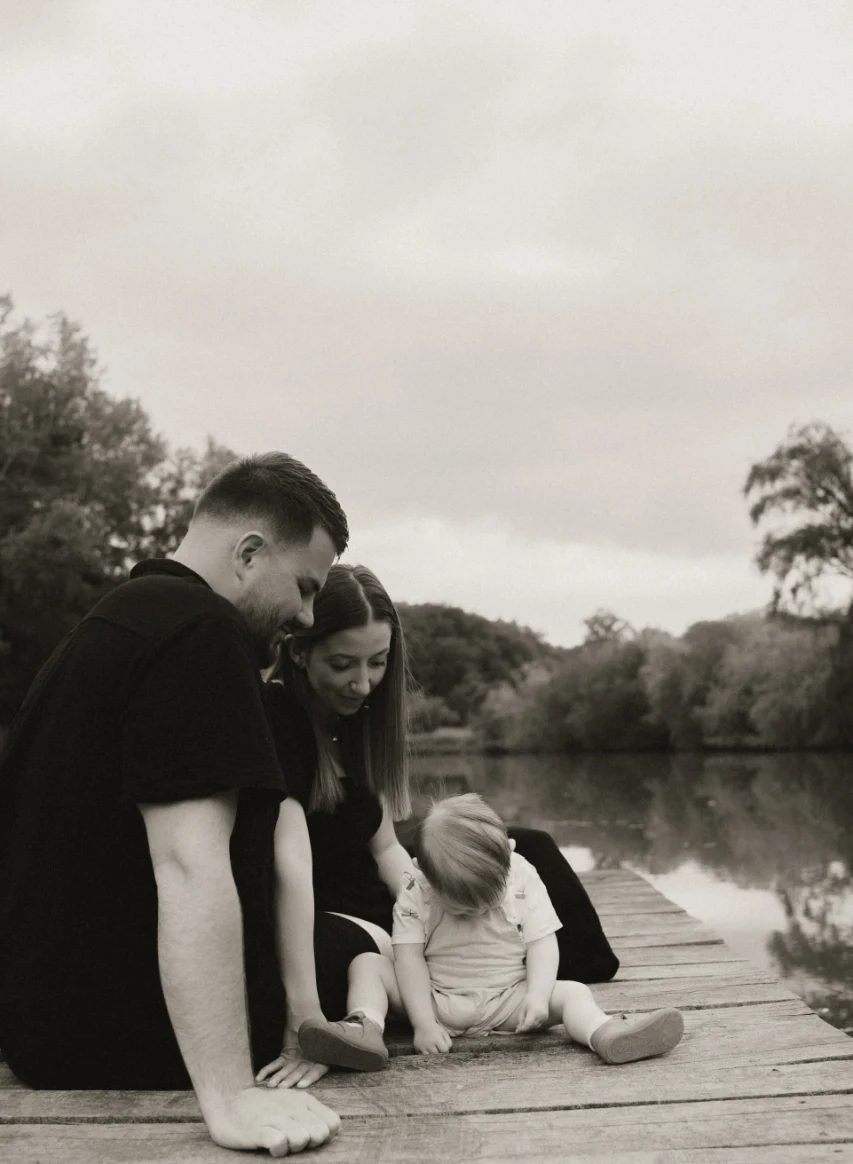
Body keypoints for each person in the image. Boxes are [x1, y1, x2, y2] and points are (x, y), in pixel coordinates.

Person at [0, 452, 347, 1158]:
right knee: (378, 943)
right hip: (122, 1041)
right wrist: (230, 1097)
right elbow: (189, 865)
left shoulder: (119, 621)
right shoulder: (200, 633)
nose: (308, 616)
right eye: (305, 587)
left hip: (52, 1024)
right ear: (249, 553)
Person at [257, 564, 620, 1089]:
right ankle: (389, 1013)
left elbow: (385, 847)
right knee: (338, 954)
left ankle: (527, 984)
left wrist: (429, 893)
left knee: (525, 849)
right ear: (299, 652)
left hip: (379, 900)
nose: (363, 682)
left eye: (378, 662)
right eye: (342, 664)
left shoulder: (356, 721)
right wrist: (304, 1023)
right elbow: (289, 864)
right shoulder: (277, 714)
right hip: (321, 910)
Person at [298, 794, 684, 1072]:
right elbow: (409, 958)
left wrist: (537, 997)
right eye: (462, 907)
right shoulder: (416, 886)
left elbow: (542, 942)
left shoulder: (522, 874)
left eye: (487, 901)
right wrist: (423, 1022)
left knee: (573, 992)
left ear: (507, 857)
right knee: (368, 964)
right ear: (426, 875)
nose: (477, 912)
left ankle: (605, 1033)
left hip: (508, 1000)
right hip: (435, 999)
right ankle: (365, 1028)